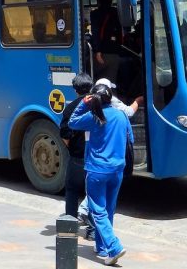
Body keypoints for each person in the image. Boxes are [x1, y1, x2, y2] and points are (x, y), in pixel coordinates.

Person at [69, 83, 133, 266]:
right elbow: (131, 138)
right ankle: (102, 246)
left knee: (97, 210)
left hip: (97, 170)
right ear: (111, 98)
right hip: (117, 170)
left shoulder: (94, 116)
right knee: (109, 209)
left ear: (94, 99)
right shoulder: (121, 115)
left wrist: (83, 103)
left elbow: (72, 121)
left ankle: (114, 246)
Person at [59, 73, 95, 239]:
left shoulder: (70, 108)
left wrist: (74, 149)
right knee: (94, 195)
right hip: (96, 159)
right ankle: (92, 231)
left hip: (77, 158)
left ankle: (70, 227)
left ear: (75, 90)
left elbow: (65, 135)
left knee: (72, 191)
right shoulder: (99, 105)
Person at [90, 0, 122, 82]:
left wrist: (97, 51)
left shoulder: (95, 13)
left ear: (99, 2)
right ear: (111, 1)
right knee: (111, 81)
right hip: (115, 52)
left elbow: (95, 32)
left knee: (84, 67)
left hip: (102, 54)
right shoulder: (116, 12)